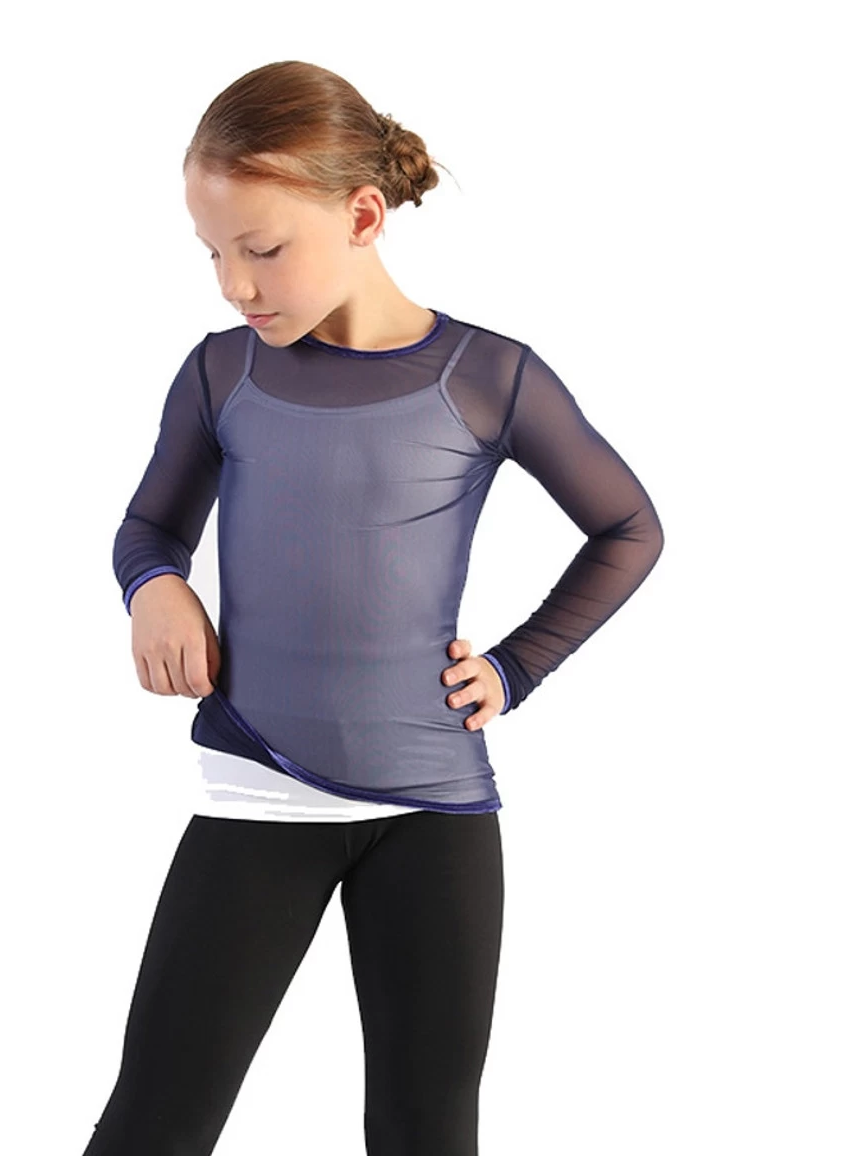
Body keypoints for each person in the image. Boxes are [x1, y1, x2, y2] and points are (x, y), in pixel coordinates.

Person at [81, 59, 665, 1155]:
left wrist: (517, 665)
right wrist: (155, 586)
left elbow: (628, 527)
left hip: (435, 810)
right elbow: (148, 527)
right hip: (259, 795)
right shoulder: (221, 375)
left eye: (261, 250)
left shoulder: (487, 375)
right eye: (212, 253)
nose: (234, 286)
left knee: (425, 1131)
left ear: (361, 215)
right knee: (154, 1123)